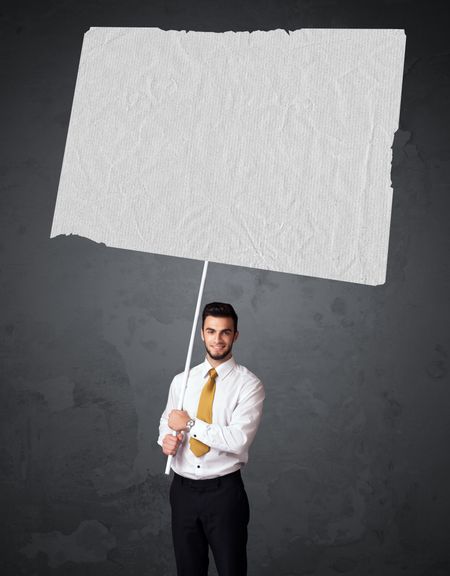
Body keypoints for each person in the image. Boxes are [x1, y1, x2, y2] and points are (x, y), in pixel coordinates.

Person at [158, 302, 265, 576]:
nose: (218, 339)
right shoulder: (181, 380)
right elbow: (168, 421)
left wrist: (191, 424)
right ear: (201, 334)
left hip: (224, 494)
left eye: (225, 332)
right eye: (211, 331)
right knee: (188, 571)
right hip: (182, 492)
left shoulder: (249, 384)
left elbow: (238, 439)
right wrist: (165, 440)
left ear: (235, 335)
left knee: (231, 570)